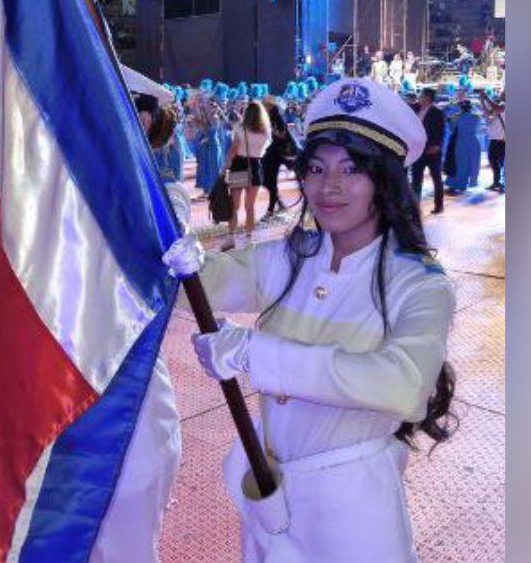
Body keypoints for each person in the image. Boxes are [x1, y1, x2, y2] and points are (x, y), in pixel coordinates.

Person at [163, 78, 456, 562]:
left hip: (353, 508)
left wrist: (256, 353)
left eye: (351, 169)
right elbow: (203, 285)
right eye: (316, 168)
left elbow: (404, 387)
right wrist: (174, 255)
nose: (329, 186)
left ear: (385, 180)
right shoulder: (292, 256)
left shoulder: (419, 284)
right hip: (271, 493)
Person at [91, 105, 187, 562]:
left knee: (127, 524)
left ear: (143, 121)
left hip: (129, 385)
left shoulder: (164, 196)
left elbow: (152, 263)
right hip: (61, 385)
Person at [222, 100, 272, 248]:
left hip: (239, 165)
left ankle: (231, 236)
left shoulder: (239, 127)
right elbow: (264, 149)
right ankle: (249, 237)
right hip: (255, 166)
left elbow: (234, 149)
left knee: (234, 205)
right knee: (250, 206)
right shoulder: (266, 131)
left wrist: (225, 166)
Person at [410, 87, 446, 214]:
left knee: (436, 178)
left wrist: (437, 145)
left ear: (428, 98)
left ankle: (439, 205)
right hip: (418, 149)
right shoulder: (415, 109)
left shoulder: (437, 112)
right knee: (416, 179)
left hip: (432, 150)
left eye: (421, 96)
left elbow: (441, 131)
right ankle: (415, 206)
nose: (419, 98)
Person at [261, 100, 298, 219]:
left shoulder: (277, 119)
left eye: (266, 105)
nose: (263, 106)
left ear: (271, 107)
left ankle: (271, 208)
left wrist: (271, 130)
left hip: (275, 154)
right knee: (266, 181)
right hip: (267, 154)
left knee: (270, 181)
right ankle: (278, 205)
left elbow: (283, 135)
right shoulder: (264, 119)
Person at [443, 99, 482, 193]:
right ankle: (465, 183)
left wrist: (449, 120)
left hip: (461, 142)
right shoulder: (476, 116)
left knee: (459, 163)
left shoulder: (456, 117)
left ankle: (456, 183)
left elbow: (452, 128)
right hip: (473, 141)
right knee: (471, 163)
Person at [479, 92, 506, 192]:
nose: (501, 94)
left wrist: (486, 97)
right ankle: (496, 182)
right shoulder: (500, 106)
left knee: (498, 162)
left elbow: (497, 109)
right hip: (495, 139)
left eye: (503, 93)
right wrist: (482, 101)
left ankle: (500, 183)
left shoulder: (504, 105)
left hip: (501, 140)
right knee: (494, 161)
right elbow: (488, 113)